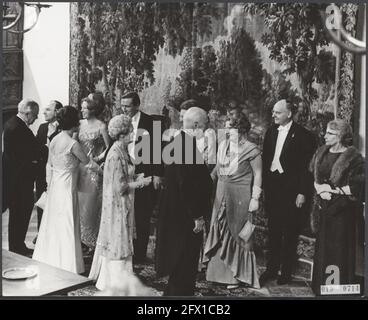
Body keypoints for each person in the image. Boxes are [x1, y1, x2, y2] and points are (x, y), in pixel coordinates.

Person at [89, 114, 152, 290]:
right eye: (131, 131)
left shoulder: (122, 150)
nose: (134, 134)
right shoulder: (116, 153)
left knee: (122, 239)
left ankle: (123, 278)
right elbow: (120, 186)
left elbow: (125, 175)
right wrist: (142, 183)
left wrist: (137, 176)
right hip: (117, 205)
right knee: (119, 240)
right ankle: (115, 282)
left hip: (123, 203)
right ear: (122, 134)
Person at [155, 107, 213, 296]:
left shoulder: (179, 142)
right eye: (203, 127)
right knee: (185, 261)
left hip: (178, 212)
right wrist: (197, 216)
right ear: (196, 125)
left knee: (182, 263)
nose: (204, 131)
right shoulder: (185, 146)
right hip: (185, 215)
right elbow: (187, 186)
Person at [33, 106, 96, 274]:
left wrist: (49, 184)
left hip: (56, 186)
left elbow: (50, 165)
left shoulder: (54, 139)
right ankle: (68, 264)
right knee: (68, 222)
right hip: (67, 187)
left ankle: (49, 258)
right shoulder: (73, 144)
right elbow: (87, 162)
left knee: (54, 222)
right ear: (75, 123)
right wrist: (103, 168)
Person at [260, 99, 316, 286]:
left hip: (292, 192)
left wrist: (302, 193)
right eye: (273, 112)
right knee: (273, 231)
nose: (273, 115)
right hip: (273, 190)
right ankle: (271, 269)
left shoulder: (304, 135)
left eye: (278, 112)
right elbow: (266, 160)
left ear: (289, 114)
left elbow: (306, 169)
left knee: (290, 232)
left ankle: (286, 272)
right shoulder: (270, 131)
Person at [204, 112, 262, 289]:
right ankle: (216, 274)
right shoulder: (223, 145)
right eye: (226, 127)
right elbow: (216, 170)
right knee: (219, 228)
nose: (227, 131)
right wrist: (204, 183)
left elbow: (258, 174)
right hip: (221, 193)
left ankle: (236, 276)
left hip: (240, 195)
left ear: (241, 128)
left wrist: (255, 198)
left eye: (230, 128)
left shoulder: (251, 149)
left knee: (236, 232)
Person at [310, 119, 364, 295]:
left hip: (342, 212)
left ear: (340, 136)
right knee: (324, 249)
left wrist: (332, 190)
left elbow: (358, 187)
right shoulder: (321, 152)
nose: (325, 136)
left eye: (330, 133)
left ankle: (336, 291)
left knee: (338, 251)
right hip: (323, 209)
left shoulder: (353, 157)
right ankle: (323, 288)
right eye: (326, 132)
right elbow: (314, 176)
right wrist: (319, 189)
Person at [120, 91, 164, 264]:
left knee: (142, 214)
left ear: (137, 105)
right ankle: (125, 250)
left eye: (128, 106)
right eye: (122, 105)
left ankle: (139, 254)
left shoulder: (152, 123)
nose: (124, 109)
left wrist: (157, 174)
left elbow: (158, 150)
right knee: (125, 212)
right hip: (124, 172)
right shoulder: (119, 121)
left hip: (144, 173)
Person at [2, 99, 43, 256]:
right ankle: (17, 247)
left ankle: (17, 245)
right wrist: (36, 160)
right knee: (20, 213)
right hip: (19, 181)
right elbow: (26, 156)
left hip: (16, 179)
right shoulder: (18, 128)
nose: (36, 119)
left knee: (19, 214)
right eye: (35, 115)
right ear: (28, 113)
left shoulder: (13, 124)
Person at [77, 96, 110, 251]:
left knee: (91, 206)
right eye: (82, 107)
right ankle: (80, 240)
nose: (82, 110)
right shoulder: (79, 124)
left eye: (85, 108)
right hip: (79, 169)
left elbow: (109, 148)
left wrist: (96, 159)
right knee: (79, 204)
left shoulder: (102, 126)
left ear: (93, 110)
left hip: (93, 171)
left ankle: (92, 242)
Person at [35, 100, 63, 232]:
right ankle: (41, 232)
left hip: (58, 171)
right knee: (42, 201)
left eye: (48, 109)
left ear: (57, 112)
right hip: (42, 171)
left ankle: (55, 232)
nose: (43, 112)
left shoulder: (64, 128)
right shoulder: (42, 127)